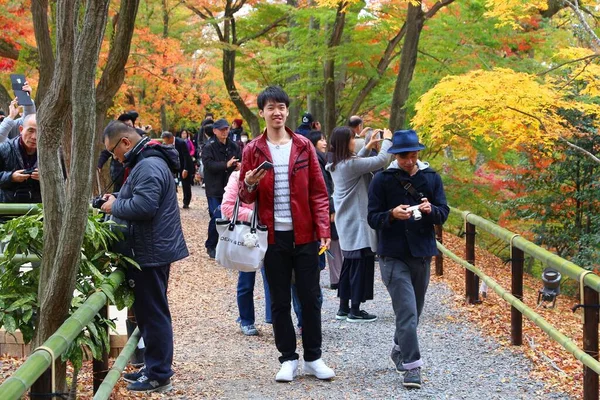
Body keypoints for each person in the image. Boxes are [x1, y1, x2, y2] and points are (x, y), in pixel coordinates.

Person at [239, 85, 334, 382]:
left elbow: (319, 192)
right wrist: (251, 183)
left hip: (305, 235)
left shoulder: (303, 145)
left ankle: (314, 358)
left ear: (287, 111)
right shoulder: (252, 150)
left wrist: (324, 229)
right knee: (279, 300)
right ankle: (287, 359)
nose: (277, 112)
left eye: (281, 106)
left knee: (311, 298)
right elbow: (244, 197)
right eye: (271, 107)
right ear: (262, 113)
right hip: (272, 237)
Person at [100, 121, 188, 393]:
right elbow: (139, 197)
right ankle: (153, 367)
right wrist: (117, 196)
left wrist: (116, 205)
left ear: (125, 142)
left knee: (154, 314)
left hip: (150, 251)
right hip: (151, 248)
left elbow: (145, 206)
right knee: (151, 313)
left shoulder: (148, 165)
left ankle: (159, 374)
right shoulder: (147, 161)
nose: (115, 158)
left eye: (114, 151)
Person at [367, 129, 449, 389]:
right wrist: (391, 214)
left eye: (413, 155)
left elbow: (443, 212)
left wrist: (430, 210)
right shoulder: (382, 180)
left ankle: (398, 348)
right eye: (404, 156)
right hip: (392, 255)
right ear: (395, 155)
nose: (410, 160)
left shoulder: (431, 177)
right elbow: (372, 217)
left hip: (422, 254)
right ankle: (412, 368)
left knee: (414, 313)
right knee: (407, 312)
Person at [326, 126, 392, 323]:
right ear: (345, 143)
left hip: (348, 222)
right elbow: (381, 160)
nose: (355, 141)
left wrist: (369, 145)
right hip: (357, 223)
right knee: (360, 266)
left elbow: (357, 162)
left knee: (350, 265)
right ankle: (355, 310)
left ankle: (344, 308)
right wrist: (387, 140)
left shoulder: (338, 164)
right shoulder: (349, 165)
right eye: (352, 139)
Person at [221, 170, 272, 336]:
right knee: (246, 278)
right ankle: (246, 319)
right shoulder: (237, 176)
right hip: (246, 234)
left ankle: (273, 318)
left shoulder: (272, 174)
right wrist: (254, 215)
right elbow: (227, 207)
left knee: (273, 278)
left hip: (270, 231)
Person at [306, 130, 342, 290]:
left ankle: (335, 276)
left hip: (323, 207)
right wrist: (330, 209)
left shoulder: (321, 158)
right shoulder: (317, 160)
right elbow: (324, 187)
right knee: (330, 241)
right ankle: (336, 278)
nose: (324, 142)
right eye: (321, 140)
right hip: (324, 208)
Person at [201, 118, 241, 259]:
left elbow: (240, 159)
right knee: (217, 215)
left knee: (230, 217)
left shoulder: (234, 146)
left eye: (227, 129)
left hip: (229, 187)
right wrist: (226, 164)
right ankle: (211, 244)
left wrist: (238, 165)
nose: (225, 132)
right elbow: (209, 165)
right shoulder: (208, 147)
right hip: (213, 187)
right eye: (222, 129)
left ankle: (225, 245)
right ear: (215, 131)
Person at [0, 114, 40, 203]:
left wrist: (45, 176)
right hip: (6, 209)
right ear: (21, 129)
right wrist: (11, 177)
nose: (34, 137)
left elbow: (64, 180)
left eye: (39, 131)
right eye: (30, 130)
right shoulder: (3, 149)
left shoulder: (54, 154)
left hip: (39, 210)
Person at [161, 131, 194, 209]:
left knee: (186, 184)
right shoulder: (165, 144)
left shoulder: (181, 142)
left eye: (167, 141)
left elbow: (186, 156)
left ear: (171, 138)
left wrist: (186, 169)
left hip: (183, 164)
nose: (166, 143)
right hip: (173, 165)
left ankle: (186, 202)